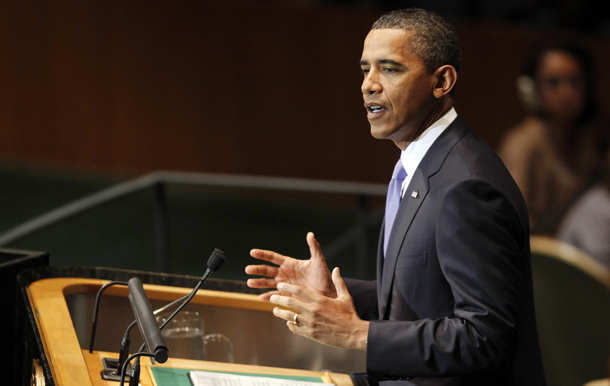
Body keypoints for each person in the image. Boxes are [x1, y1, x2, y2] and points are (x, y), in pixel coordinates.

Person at [246, 8, 545, 385]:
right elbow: (427, 295)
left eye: (389, 69)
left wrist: (358, 333)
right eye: (364, 69)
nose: (368, 84)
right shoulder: (420, 163)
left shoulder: (467, 186)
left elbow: (484, 338)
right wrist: (337, 294)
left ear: (442, 81)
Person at [498, 43, 605, 235]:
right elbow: (510, 219)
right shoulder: (522, 143)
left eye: (574, 81)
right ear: (530, 88)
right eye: (554, 82)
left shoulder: (590, 139)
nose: (566, 92)